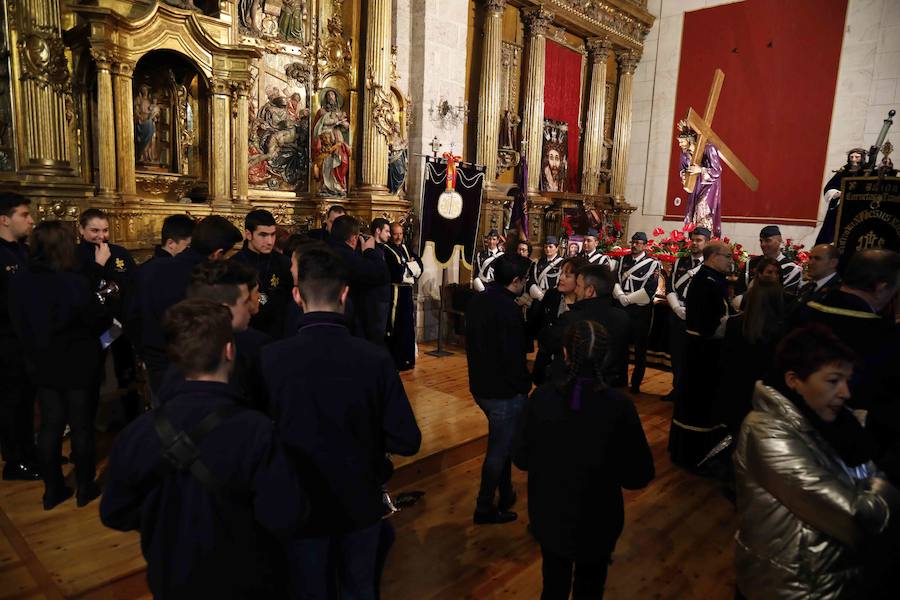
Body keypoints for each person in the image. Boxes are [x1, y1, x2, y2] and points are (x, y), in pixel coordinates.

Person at [101, 299, 306, 598]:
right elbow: (287, 515)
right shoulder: (256, 430)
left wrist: (163, 521)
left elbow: (115, 512)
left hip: (172, 577)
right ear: (229, 350)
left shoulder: (135, 435)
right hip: (247, 579)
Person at [261, 246, 420, 599]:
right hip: (359, 502)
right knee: (359, 588)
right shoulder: (374, 359)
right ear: (345, 294)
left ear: (296, 296)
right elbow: (407, 439)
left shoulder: (271, 359)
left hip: (300, 504)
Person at [733, 324, 900, 600]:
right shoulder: (766, 431)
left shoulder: (830, 419)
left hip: (830, 576)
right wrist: (892, 469)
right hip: (792, 585)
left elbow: (860, 445)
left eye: (847, 380)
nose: (845, 392)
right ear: (794, 380)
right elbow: (855, 519)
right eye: (833, 381)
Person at [514, 320, 654, 600]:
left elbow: (521, 458)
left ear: (565, 353)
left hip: (551, 513)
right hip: (598, 518)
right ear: (608, 356)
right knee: (590, 589)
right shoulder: (619, 406)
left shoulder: (542, 398)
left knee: (553, 585)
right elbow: (638, 474)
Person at [9, 221, 111, 509]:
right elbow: (96, 319)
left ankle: (52, 489)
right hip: (78, 361)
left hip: (42, 362)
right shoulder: (73, 282)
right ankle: (85, 486)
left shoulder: (20, 280)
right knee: (81, 426)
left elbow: (18, 323)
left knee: (51, 426)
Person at [791, 249, 900, 484]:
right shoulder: (886, 337)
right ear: (882, 287)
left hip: (790, 439)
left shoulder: (804, 312)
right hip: (849, 457)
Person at [138, 215, 243, 396]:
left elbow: (134, 317)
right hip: (199, 371)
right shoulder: (208, 281)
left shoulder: (151, 270)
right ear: (217, 254)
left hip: (157, 364)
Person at [465, 254, 533, 524]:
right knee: (498, 450)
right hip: (502, 391)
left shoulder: (480, 299)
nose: (526, 283)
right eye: (525, 279)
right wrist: (523, 386)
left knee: (502, 445)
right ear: (516, 281)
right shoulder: (507, 309)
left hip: (480, 384)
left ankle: (505, 494)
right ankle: (484, 507)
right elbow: (512, 356)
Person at [668, 241, 732, 471]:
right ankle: (693, 451)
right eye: (727, 256)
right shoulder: (706, 281)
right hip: (703, 350)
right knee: (698, 401)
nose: (730, 261)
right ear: (713, 256)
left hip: (705, 350)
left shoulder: (712, 278)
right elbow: (710, 323)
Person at [76, 208, 141, 425]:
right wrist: (99, 265)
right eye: (94, 230)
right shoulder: (74, 256)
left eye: (104, 230)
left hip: (119, 325)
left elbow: (133, 287)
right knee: (94, 378)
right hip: (91, 329)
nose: (101, 236)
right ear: (81, 229)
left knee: (126, 374)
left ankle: (131, 421)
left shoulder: (120, 253)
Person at [541, 264, 630, 389]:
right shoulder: (622, 317)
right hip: (608, 387)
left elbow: (549, 344)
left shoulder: (571, 319)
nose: (576, 290)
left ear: (590, 291)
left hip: (573, 387)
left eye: (578, 286)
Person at [0, 193, 38, 481]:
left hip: (26, 340)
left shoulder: (23, 251)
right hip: (6, 342)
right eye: (24, 215)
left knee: (25, 401)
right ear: (4, 219)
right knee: (12, 403)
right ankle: (15, 461)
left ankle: (28, 450)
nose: (31, 220)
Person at [717, 280, 785, 434]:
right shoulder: (780, 330)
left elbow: (725, 359)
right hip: (764, 396)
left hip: (735, 390)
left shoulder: (734, 323)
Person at [663, 226, 710, 403]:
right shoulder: (679, 262)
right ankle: (677, 388)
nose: (695, 243)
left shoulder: (711, 265)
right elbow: (670, 286)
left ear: (707, 243)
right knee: (676, 354)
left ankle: (691, 394)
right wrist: (676, 308)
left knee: (695, 356)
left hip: (698, 317)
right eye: (693, 239)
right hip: (678, 314)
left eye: (699, 240)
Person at [232, 209, 294, 339]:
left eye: (272, 235)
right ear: (248, 234)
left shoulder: (284, 263)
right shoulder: (234, 264)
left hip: (278, 334)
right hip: (246, 335)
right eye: (263, 235)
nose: (270, 241)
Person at [327, 214, 389, 338]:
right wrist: (369, 250)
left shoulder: (326, 250)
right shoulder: (348, 257)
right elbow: (382, 275)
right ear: (354, 238)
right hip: (348, 318)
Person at [612, 232, 660, 395]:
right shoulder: (622, 260)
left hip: (640, 309)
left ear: (645, 245)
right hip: (622, 306)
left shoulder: (653, 264)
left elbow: (650, 289)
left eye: (639, 243)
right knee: (620, 346)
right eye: (633, 242)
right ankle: (620, 379)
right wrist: (620, 296)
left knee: (640, 349)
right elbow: (615, 280)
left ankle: (636, 383)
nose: (635, 245)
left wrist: (628, 299)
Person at [528, 257, 584, 384]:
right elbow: (538, 325)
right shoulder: (552, 295)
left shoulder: (584, 305)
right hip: (547, 364)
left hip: (570, 372)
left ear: (580, 280)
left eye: (567, 275)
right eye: (561, 273)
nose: (561, 278)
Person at [733, 225, 802, 309]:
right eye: (761, 241)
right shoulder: (751, 263)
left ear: (779, 240)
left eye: (767, 240)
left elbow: (786, 299)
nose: (763, 244)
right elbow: (739, 290)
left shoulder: (791, 269)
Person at [384, 222, 423, 370]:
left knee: (408, 325)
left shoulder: (406, 247)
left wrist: (410, 267)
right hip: (395, 293)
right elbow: (397, 273)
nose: (398, 237)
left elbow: (420, 264)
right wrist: (411, 267)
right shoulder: (386, 250)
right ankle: (396, 360)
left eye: (400, 233)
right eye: (395, 234)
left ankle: (408, 360)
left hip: (407, 292)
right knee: (396, 325)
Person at [677, 120, 723, 237]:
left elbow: (717, 170)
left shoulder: (709, 148)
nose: (680, 144)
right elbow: (682, 170)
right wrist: (684, 176)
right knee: (693, 212)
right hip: (695, 186)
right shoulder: (684, 154)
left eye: (682, 141)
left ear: (690, 140)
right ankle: (694, 239)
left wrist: (701, 170)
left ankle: (707, 238)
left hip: (709, 185)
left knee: (702, 208)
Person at [816, 148, 866, 245]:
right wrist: (838, 193)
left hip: (858, 208)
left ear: (862, 158)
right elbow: (830, 187)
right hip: (841, 207)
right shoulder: (843, 171)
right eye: (851, 157)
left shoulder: (866, 172)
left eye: (857, 157)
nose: (854, 159)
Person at [363, 217, 393, 346]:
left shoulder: (384, 248)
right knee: (376, 333)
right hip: (375, 298)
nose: (389, 235)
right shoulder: (372, 249)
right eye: (386, 231)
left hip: (383, 296)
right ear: (377, 231)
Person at [528, 236, 564, 301]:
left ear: (557, 248)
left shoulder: (562, 263)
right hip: (538, 296)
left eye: (550, 247)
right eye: (545, 247)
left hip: (553, 298)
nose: (547, 249)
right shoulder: (537, 262)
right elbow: (532, 279)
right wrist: (537, 293)